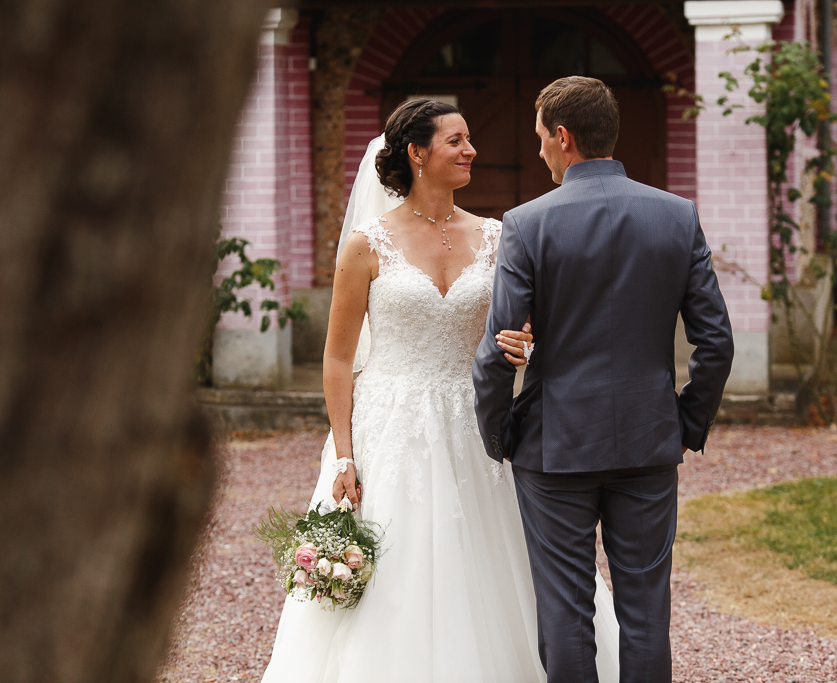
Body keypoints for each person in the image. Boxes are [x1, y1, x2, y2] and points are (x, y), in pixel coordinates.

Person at [260, 99, 620, 683]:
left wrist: (520, 345)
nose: (472, 150)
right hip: (390, 426)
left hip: (479, 422)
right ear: (417, 153)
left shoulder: (500, 236)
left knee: (491, 561)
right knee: (397, 567)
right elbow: (337, 358)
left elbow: (523, 331)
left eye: (470, 138)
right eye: (456, 141)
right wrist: (345, 452)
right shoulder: (365, 246)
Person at [473, 76, 735, 683]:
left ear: (563, 137)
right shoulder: (676, 216)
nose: (538, 151)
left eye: (540, 138)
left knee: (565, 611)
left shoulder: (526, 224)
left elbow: (497, 350)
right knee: (646, 613)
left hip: (553, 444)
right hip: (647, 440)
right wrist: (684, 421)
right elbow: (715, 340)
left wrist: (499, 433)